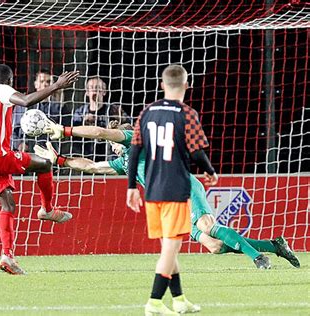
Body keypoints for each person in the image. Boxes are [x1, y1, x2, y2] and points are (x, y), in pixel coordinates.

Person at [36, 120, 300, 269]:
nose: (110, 145)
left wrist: (65, 131)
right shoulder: (123, 163)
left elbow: (101, 132)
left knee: (208, 225)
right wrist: (59, 159)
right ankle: (274, 245)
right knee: (214, 245)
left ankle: (257, 257)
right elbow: (91, 166)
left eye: (112, 142)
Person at [0, 64, 79, 275]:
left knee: (8, 204)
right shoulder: (2, 90)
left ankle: (7, 257)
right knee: (45, 163)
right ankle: (47, 210)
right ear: (10, 81)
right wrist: (57, 85)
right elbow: (26, 101)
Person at [128, 64, 219, 315]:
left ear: (161, 85)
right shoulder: (187, 114)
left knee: (168, 247)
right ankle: (154, 302)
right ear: (186, 86)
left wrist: (130, 187)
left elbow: (134, 150)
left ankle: (179, 300)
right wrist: (210, 171)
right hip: (176, 188)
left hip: (152, 189)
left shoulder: (147, 112)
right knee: (171, 248)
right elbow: (197, 151)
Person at [72, 76, 131, 161]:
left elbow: (129, 128)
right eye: (91, 88)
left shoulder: (114, 110)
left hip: (111, 157)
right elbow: (72, 134)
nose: (94, 90)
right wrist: (83, 123)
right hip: (87, 157)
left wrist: (118, 125)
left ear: (104, 92)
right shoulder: (80, 112)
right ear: (87, 92)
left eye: (98, 88)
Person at [12, 69, 62, 152]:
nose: (45, 84)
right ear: (35, 84)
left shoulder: (57, 107)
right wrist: (19, 144)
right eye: (41, 81)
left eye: (48, 81)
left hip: (50, 151)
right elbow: (13, 129)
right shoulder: (24, 104)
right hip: (27, 151)